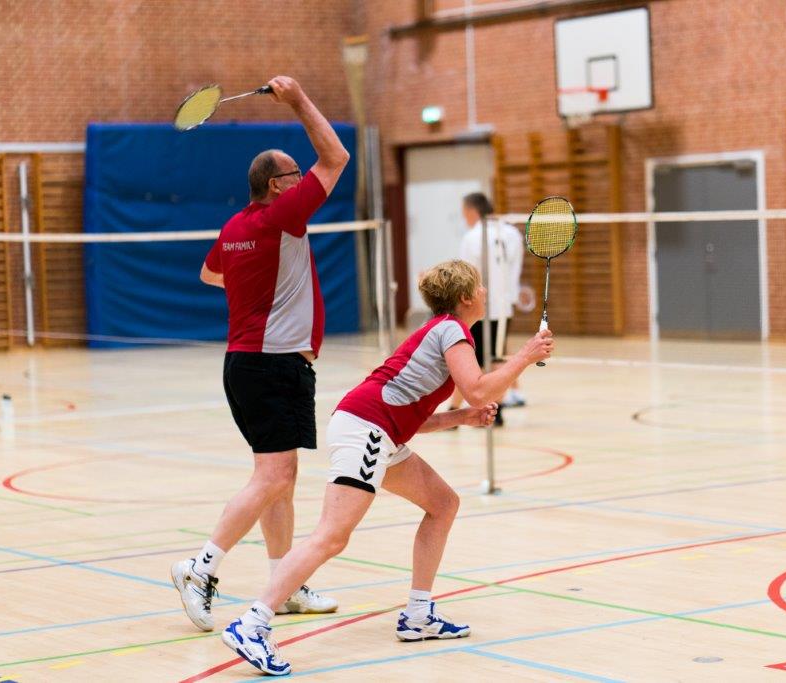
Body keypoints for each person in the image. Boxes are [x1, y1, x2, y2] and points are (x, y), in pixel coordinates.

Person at [220, 260, 554, 676]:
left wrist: (460, 418)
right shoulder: (453, 330)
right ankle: (252, 624)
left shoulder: (439, 332)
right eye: (481, 286)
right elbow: (477, 388)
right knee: (331, 536)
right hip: (367, 429)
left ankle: (418, 614)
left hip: (378, 430)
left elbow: (411, 414)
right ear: (467, 296)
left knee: (443, 504)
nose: (486, 291)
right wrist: (525, 355)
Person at [171, 75, 350, 632]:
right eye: (295, 175)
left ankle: (284, 584)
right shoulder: (283, 215)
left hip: (244, 364)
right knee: (274, 478)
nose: (303, 179)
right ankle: (200, 567)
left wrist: (258, 283)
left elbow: (209, 275)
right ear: (277, 186)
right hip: (274, 366)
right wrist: (298, 98)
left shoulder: (235, 227)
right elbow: (336, 157)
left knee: (280, 477)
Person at [448, 192, 526, 424]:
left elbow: (466, 276)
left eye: (464, 213)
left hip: (479, 308)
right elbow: (515, 268)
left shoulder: (472, 236)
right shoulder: (511, 233)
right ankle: (495, 411)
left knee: (474, 361)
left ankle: (456, 411)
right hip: (504, 307)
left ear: (472, 211)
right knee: (496, 357)